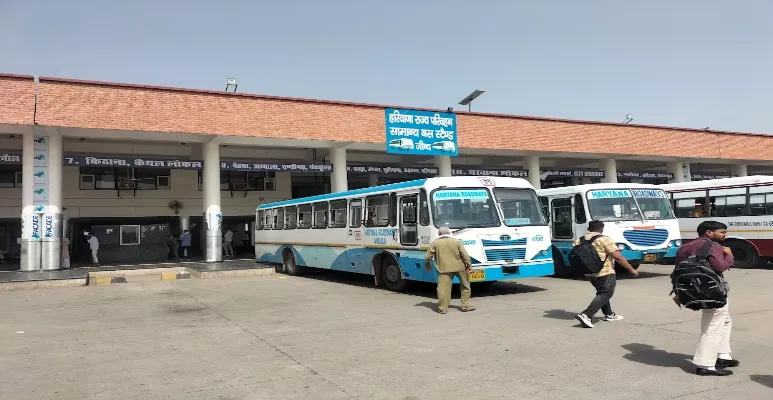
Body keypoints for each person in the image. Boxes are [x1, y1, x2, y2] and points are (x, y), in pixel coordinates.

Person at [674, 221, 737, 376]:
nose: (725, 235)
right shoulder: (712, 245)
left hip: (695, 291)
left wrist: (677, 292)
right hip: (713, 291)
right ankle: (705, 365)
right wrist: (729, 255)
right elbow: (720, 266)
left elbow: (677, 271)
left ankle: (723, 355)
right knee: (713, 325)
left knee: (725, 319)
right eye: (722, 232)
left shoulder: (685, 247)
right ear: (709, 232)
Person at [574, 220, 639, 328]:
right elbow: (617, 256)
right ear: (601, 228)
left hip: (589, 272)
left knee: (602, 293)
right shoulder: (604, 239)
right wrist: (632, 269)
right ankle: (586, 315)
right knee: (606, 293)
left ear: (588, 229)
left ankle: (608, 314)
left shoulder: (579, 240)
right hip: (605, 271)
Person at [424, 227, 476, 314]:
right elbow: (465, 255)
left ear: (439, 234)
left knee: (443, 289)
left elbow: (427, 257)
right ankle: (465, 305)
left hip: (444, 269)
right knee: (465, 285)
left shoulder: (435, 243)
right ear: (449, 233)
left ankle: (443, 308)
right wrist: (469, 265)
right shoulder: (456, 242)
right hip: (460, 267)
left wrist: (428, 265)